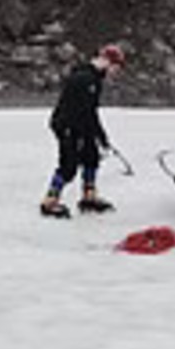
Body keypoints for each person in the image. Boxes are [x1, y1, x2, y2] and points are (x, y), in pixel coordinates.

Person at [41, 42, 130, 219]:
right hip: (67, 125)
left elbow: (91, 111)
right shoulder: (85, 78)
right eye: (116, 68)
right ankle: (50, 200)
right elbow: (80, 111)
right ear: (107, 61)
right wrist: (86, 133)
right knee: (69, 165)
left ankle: (89, 196)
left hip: (81, 124)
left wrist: (100, 137)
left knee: (91, 157)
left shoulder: (94, 79)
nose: (115, 73)